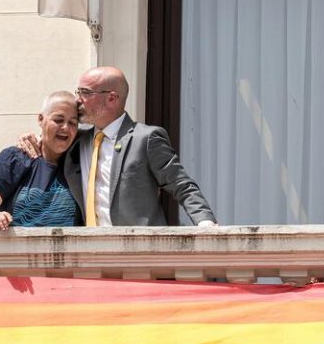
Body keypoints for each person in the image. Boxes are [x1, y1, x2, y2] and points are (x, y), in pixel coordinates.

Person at [19, 66, 216, 227]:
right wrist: (34, 138)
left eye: (85, 92)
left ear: (111, 98)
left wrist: (205, 223)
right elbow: (51, 138)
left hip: (137, 252)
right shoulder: (77, 139)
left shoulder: (146, 139)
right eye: (78, 92)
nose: (77, 100)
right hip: (87, 253)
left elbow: (182, 185)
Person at [0, 91, 81, 230]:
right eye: (58, 120)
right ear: (40, 119)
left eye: (73, 123)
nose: (65, 128)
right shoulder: (17, 157)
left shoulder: (81, 162)